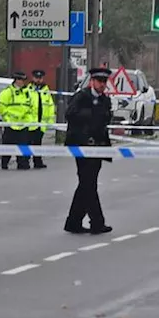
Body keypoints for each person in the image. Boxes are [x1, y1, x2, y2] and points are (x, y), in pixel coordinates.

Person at [64, 67, 114, 234]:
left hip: (98, 148)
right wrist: (90, 115)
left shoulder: (105, 100)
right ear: (92, 81)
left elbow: (105, 120)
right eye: (99, 81)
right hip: (82, 147)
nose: (102, 85)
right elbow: (70, 114)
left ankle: (74, 222)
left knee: (86, 185)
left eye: (104, 82)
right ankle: (97, 222)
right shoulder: (81, 97)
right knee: (88, 184)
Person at [0, 71, 35, 170]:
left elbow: (31, 107)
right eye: (20, 80)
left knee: (23, 147)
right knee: (7, 147)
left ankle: (23, 164)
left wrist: (28, 121)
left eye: (23, 80)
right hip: (11, 124)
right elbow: (2, 107)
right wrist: (8, 120)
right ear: (15, 80)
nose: (22, 82)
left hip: (23, 125)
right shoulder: (7, 92)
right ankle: (4, 163)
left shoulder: (27, 93)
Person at [29, 69, 55, 169]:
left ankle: (38, 162)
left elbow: (50, 105)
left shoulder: (46, 90)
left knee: (38, 143)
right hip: (31, 121)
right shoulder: (29, 89)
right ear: (33, 78)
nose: (38, 80)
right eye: (36, 78)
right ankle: (25, 162)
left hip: (41, 121)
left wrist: (50, 121)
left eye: (40, 78)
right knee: (29, 142)